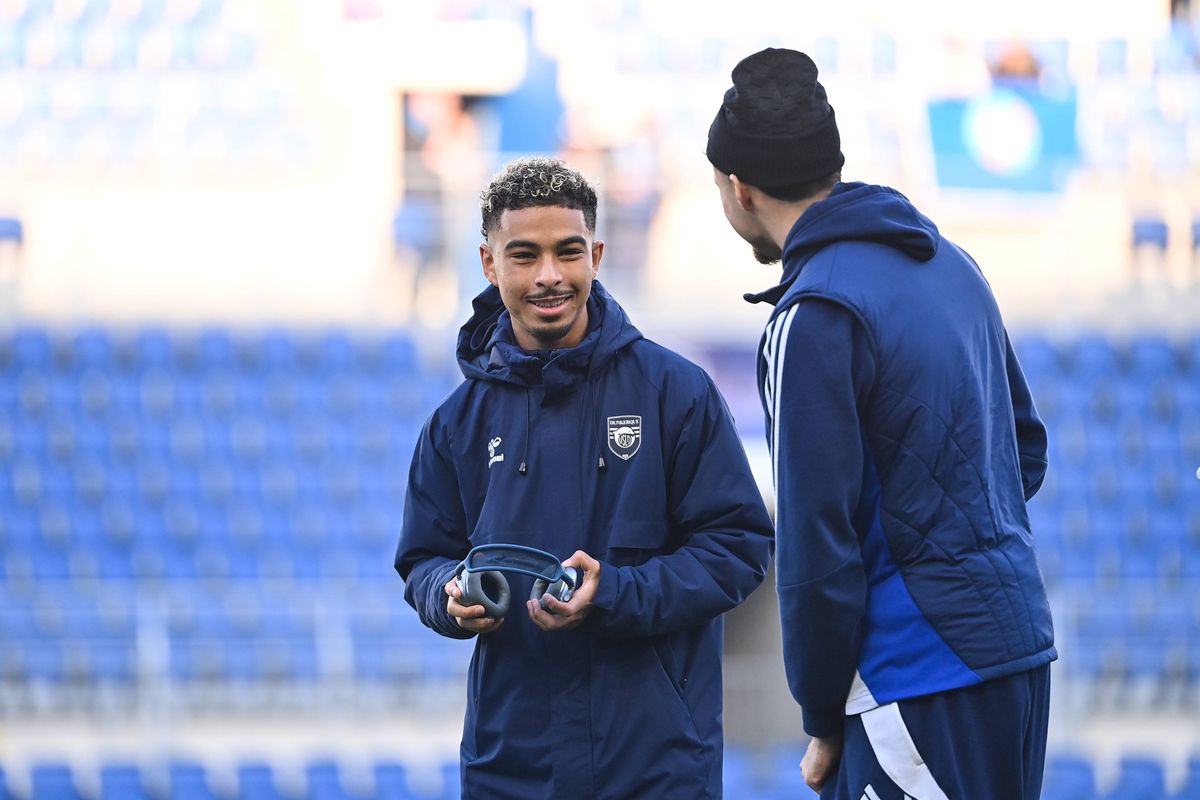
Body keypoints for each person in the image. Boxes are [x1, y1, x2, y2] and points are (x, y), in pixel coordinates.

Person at [706, 49, 1056, 799]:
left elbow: (815, 547)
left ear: (738, 186)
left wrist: (823, 713)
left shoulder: (816, 314)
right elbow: (1025, 452)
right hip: (1018, 655)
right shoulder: (950, 263)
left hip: (914, 675)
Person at [395, 156, 774, 798]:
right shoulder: (456, 423)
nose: (550, 276)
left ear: (595, 254)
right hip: (512, 769)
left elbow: (738, 549)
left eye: (568, 252)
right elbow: (423, 559)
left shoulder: (674, 393)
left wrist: (614, 594)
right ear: (490, 264)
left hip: (655, 769)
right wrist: (448, 594)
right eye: (524, 256)